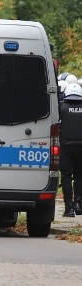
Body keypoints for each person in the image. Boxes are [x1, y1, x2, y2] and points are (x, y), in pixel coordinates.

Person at [58, 82, 82, 217]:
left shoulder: (62, 107)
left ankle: (69, 208)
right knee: (80, 176)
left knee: (66, 177)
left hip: (66, 147)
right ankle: (79, 204)